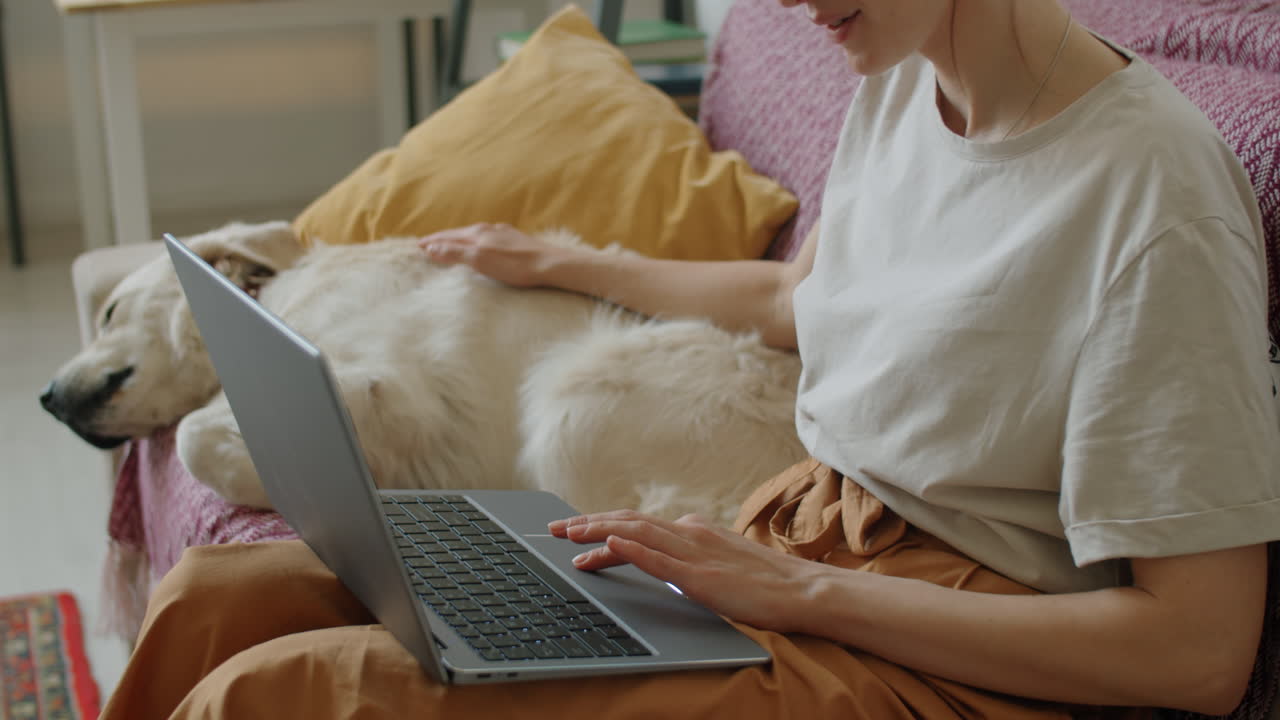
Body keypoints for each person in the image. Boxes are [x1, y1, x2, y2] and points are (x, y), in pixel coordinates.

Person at [102, 0, 1280, 717]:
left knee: (283, 698)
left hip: (938, 656)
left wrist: (806, 591)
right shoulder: (902, 89)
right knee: (218, 599)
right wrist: (566, 261)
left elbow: (1197, 654)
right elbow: (796, 298)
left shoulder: (1152, 197)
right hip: (779, 540)